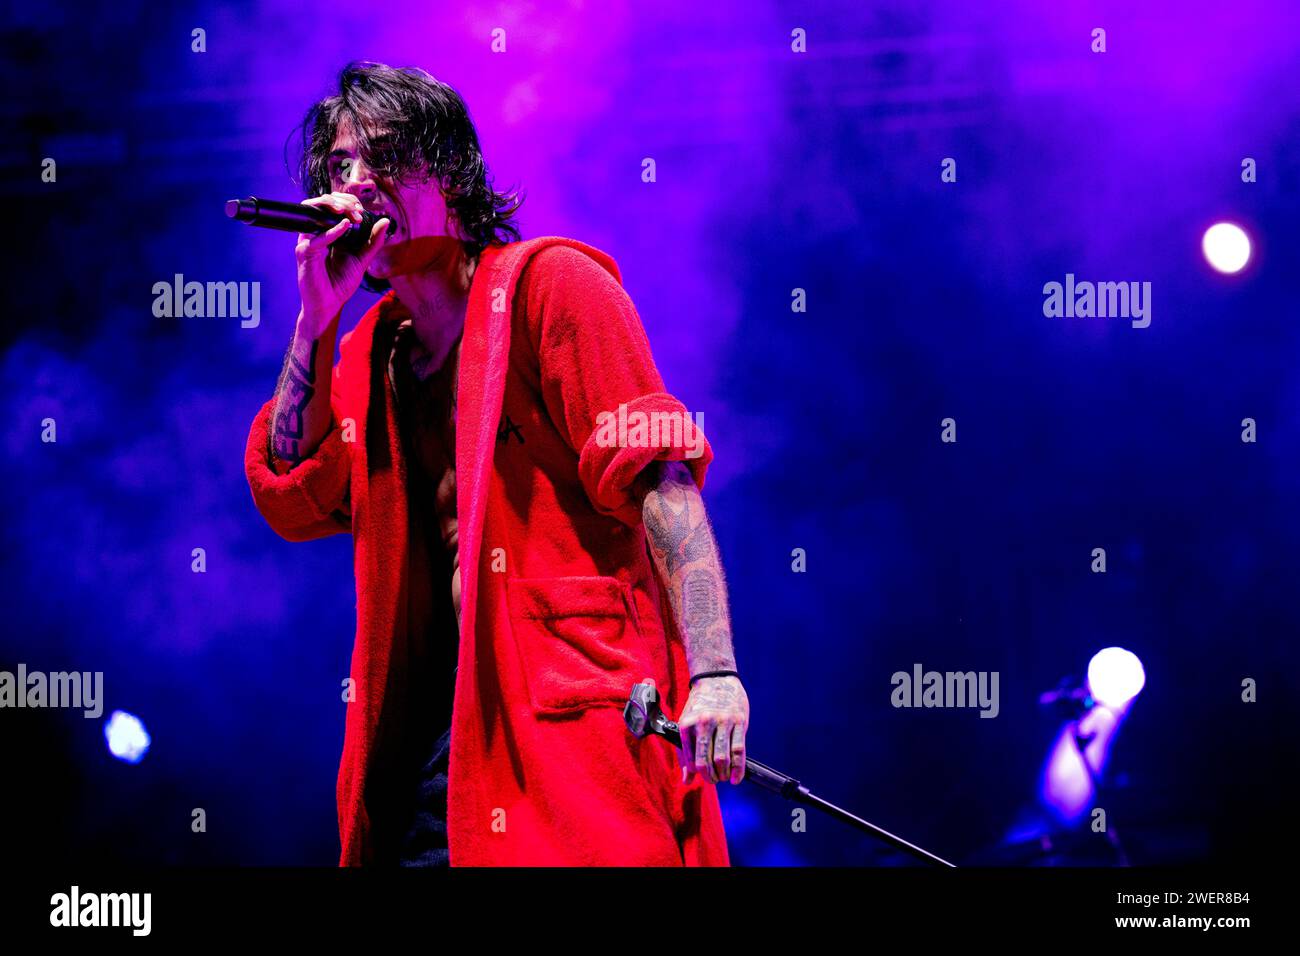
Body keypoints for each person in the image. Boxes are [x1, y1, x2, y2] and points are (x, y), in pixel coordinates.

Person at [244, 61, 747, 866]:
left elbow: (664, 481)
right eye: (340, 167)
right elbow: (289, 492)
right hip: (431, 754)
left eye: (384, 156)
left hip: (569, 733)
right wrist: (315, 321)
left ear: (449, 169)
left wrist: (716, 673)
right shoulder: (369, 355)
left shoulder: (554, 287)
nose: (358, 183)